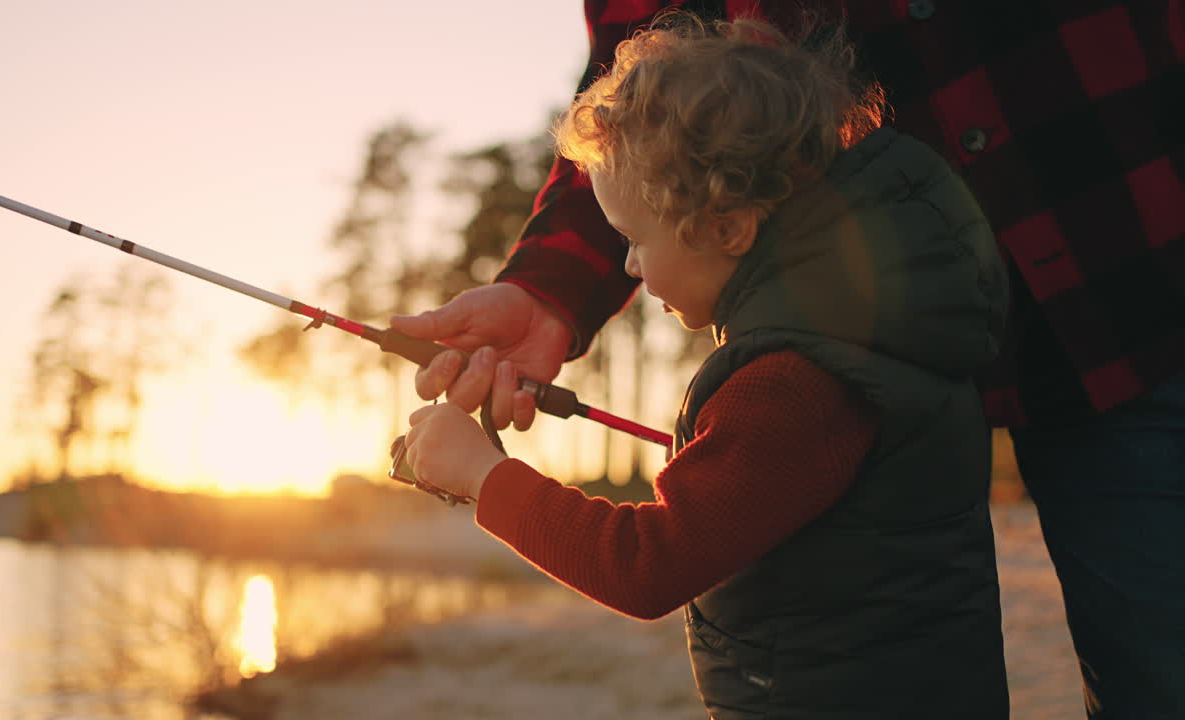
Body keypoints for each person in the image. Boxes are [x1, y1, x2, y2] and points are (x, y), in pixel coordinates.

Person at [393, 2, 1185, 718]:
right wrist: (549, 290)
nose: (628, 267)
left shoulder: (794, 382)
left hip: (1137, 296)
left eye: (635, 241)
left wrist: (481, 477)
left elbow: (645, 567)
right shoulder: (862, 340)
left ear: (732, 226)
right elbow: (649, 114)